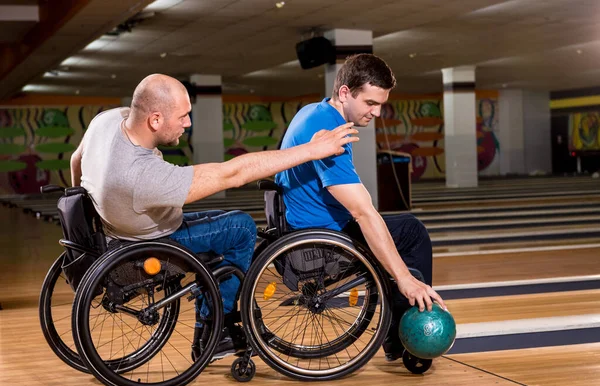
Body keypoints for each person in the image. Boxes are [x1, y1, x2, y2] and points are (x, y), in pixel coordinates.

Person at [70, 73, 359, 360]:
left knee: (223, 221)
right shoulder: (141, 175)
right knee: (242, 227)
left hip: (120, 230)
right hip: (155, 239)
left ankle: (212, 298)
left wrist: (96, 209)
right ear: (155, 120)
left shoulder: (106, 122)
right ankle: (216, 328)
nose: (188, 123)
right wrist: (311, 150)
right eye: (182, 116)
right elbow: (233, 173)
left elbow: (76, 160)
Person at [275, 54, 447, 362]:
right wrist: (405, 279)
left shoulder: (312, 112)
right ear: (344, 93)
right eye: (370, 103)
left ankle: (397, 339)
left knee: (411, 230)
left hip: (308, 230)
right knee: (408, 271)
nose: (377, 113)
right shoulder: (328, 133)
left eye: (380, 104)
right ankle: (410, 342)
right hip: (319, 245)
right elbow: (362, 212)